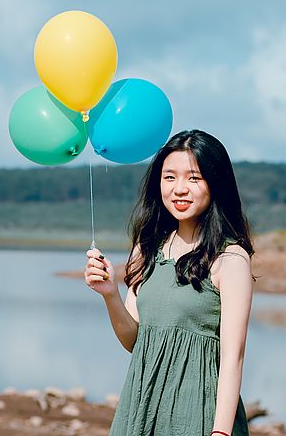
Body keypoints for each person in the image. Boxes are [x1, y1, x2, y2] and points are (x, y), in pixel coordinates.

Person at [84, 129, 255, 436]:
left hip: (198, 413)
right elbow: (133, 341)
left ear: (215, 184)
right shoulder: (146, 247)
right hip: (141, 407)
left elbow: (234, 356)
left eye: (194, 178)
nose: (179, 189)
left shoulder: (230, 259)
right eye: (169, 177)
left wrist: (221, 433)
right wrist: (110, 294)